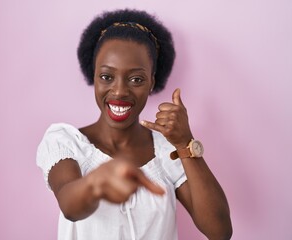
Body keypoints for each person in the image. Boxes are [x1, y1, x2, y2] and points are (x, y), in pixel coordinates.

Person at [37, 9, 232, 240]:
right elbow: (70, 207)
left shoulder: (168, 151)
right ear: (94, 76)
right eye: (107, 77)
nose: (119, 91)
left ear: (152, 82)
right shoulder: (65, 141)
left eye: (136, 79)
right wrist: (96, 183)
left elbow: (219, 232)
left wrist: (185, 143)